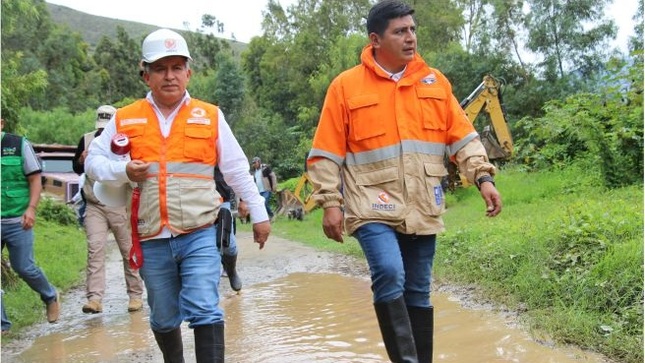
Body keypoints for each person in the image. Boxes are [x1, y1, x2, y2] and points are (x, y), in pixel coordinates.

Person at [306, 1, 503, 362]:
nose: (410, 37)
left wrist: (483, 178)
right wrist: (330, 203)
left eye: (412, 29)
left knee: (417, 290)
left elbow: (463, 138)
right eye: (400, 31)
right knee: (389, 271)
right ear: (375, 39)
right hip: (371, 204)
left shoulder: (435, 82)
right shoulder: (346, 87)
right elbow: (325, 152)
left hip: (422, 202)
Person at [85, 28, 271, 362]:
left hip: (200, 231)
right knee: (163, 316)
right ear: (146, 74)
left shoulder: (211, 115)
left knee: (204, 306)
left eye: (177, 67)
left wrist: (259, 213)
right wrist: (123, 171)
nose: (169, 76)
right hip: (151, 236)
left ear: (189, 72)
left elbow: (235, 169)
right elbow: (94, 163)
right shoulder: (125, 118)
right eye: (160, 68)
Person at [72, 105, 145, 314]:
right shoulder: (86, 139)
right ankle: (94, 298)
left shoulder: (126, 140)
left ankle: (135, 295)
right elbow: (76, 168)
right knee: (95, 249)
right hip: (94, 204)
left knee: (128, 249)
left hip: (119, 203)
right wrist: (81, 160)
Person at [1, 118, 60, 332]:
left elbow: (35, 178)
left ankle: (50, 296)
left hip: (18, 219)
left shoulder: (17, 145)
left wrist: (31, 209)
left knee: (24, 267)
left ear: (1, 124)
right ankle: (2, 324)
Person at [214, 166, 242, 292]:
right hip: (197, 201)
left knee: (227, 244)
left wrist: (243, 200)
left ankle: (231, 271)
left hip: (222, 201)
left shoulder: (220, 147)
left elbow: (236, 171)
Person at [250, 156, 278, 220]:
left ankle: (271, 215)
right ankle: (265, 218)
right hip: (259, 191)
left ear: (259, 162)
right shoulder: (254, 171)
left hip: (266, 190)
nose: (254, 164)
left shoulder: (265, 168)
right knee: (260, 205)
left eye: (255, 162)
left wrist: (274, 186)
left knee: (264, 203)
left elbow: (273, 176)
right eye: (253, 163)